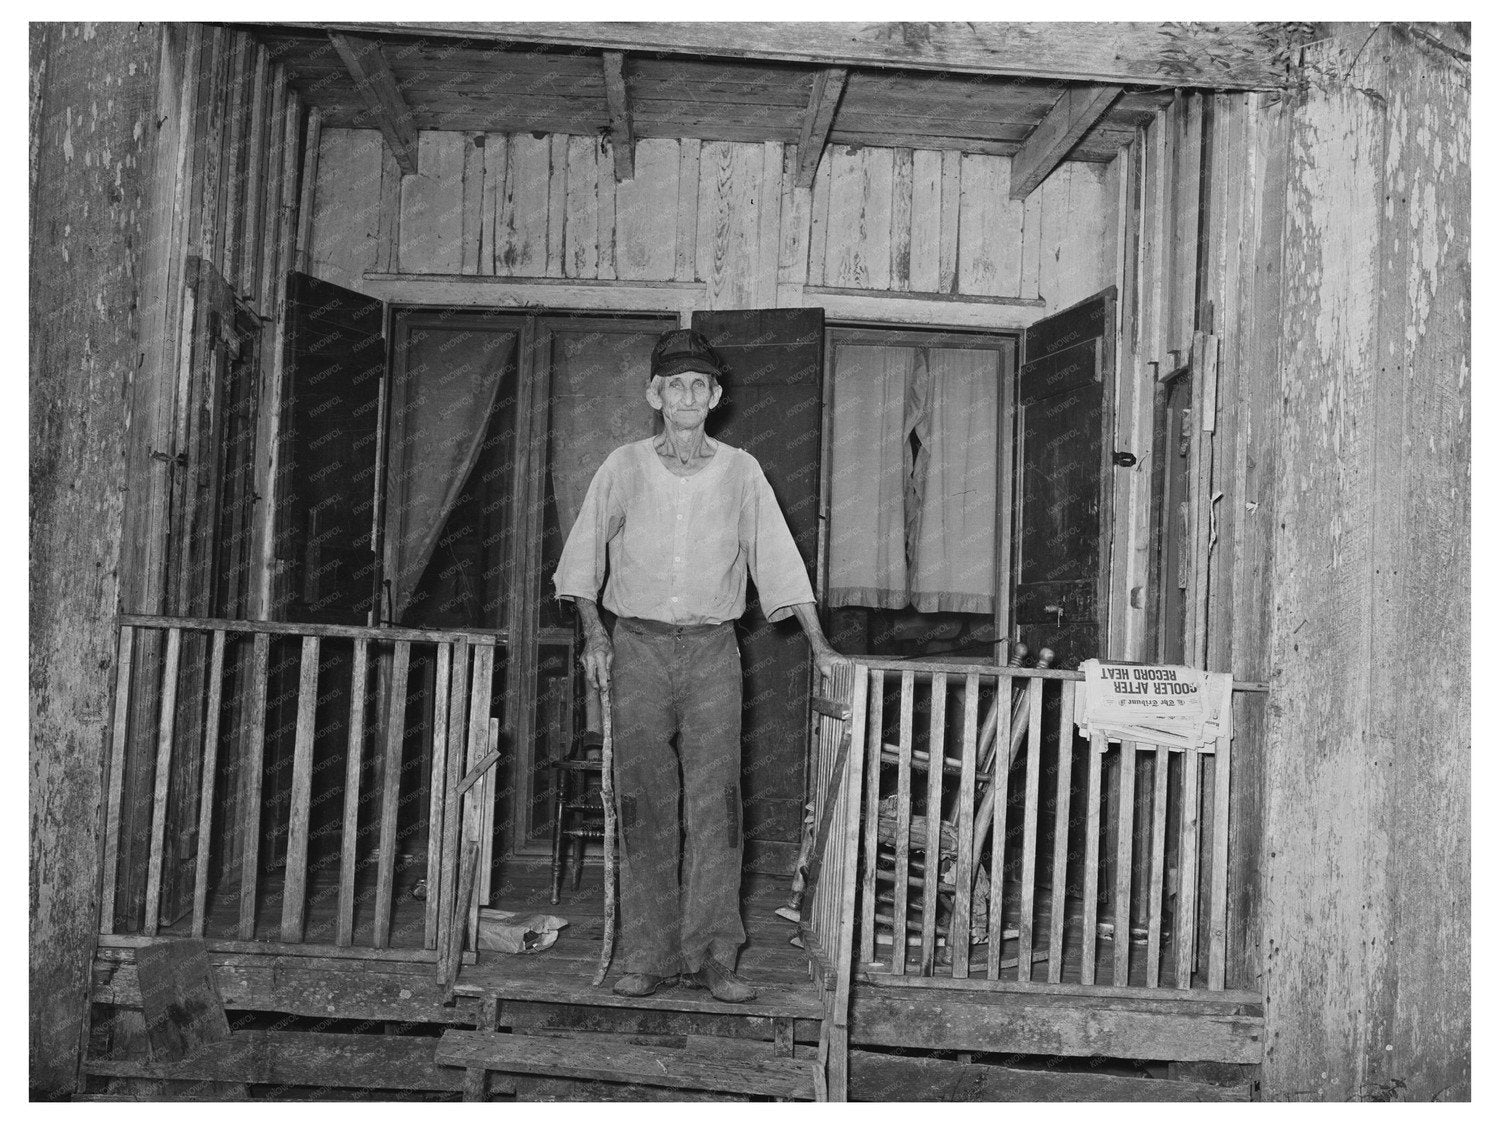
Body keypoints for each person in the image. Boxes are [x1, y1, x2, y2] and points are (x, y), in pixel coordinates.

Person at [552, 328, 843, 1003]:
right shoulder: (623, 466)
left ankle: (714, 956)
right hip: (638, 648)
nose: (686, 395)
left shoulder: (741, 471)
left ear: (715, 397)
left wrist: (820, 643)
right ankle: (647, 954)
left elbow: (778, 558)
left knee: (718, 804)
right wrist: (594, 635)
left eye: (699, 385)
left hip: (714, 650)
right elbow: (583, 555)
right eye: (674, 384)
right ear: (655, 395)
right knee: (643, 801)